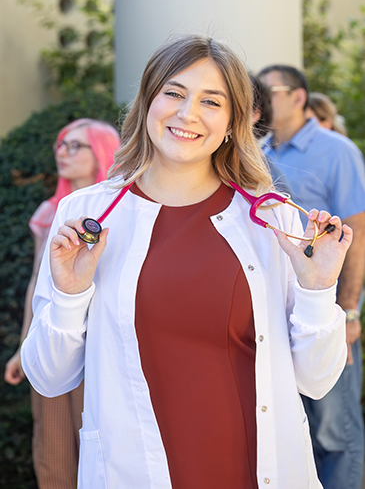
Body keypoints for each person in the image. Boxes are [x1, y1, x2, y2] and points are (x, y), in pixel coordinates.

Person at [21, 35, 350, 489]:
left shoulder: (275, 219)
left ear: (235, 121)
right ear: (147, 102)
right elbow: (48, 376)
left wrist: (318, 290)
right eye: (173, 93)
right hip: (132, 473)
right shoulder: (87, 214)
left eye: (211, 102)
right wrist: (69, 296)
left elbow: (316, 380)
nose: (187, 114)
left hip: (258, 473)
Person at [258, 64, 365, 489]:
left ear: (298, 97)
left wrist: (350, 311)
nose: (262, 103)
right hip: (278, 314)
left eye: (271, 93)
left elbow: (357, 235)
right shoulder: (256, 152)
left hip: (327, 312)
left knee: (334, 433)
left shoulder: (337, 150)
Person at [5, 118, 120, 489]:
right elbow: (37, 285)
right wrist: (25, 346)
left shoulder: (125, 209)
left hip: (106, 345)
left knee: (107, 453)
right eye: (61, 144)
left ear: (102, 151)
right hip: (54, 335)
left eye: (76, 146)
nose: (63, 153)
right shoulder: (49, 210)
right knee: (54, 454)